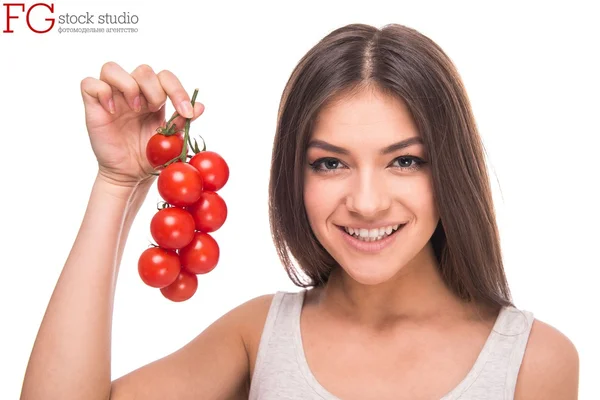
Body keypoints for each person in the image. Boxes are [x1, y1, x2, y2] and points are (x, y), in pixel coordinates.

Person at [21, 23, 579, 400]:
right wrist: (117, 182)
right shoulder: (259, 335)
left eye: (405, 161)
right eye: (330, 164)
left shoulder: (534, 360)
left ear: (451, 169)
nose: (366, 202)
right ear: (295, 174)